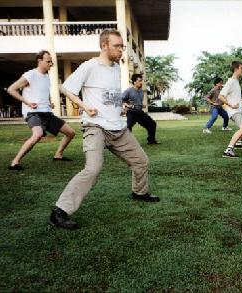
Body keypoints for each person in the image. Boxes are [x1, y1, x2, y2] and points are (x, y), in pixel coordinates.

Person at [48, 29, 159, 230]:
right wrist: (84, 107)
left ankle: (139, 192)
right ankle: (59, 212)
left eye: (122, 46)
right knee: (93, 169)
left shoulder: (116, 68)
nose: (121, 50)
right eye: (117, 46)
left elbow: (110, 94)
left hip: (117, 128)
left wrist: (120, 106)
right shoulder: (89, 66)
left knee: (141, 161)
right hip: (95, 126)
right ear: (104, 46)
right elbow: (66, 88)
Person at [6, 50, 76, 171]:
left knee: (71, 133)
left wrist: (49, 102)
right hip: (33, 113)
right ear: (40, 61)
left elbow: (40, 93)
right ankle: (14, 162)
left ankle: (58, 155)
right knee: (37, 135)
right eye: (48, 61)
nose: (51, 64)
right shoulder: (30, 74)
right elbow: (11, 89)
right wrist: (27, 102)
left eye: (51, 61)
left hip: (47, 113)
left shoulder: (47, 77)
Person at [218, 61, 242, 158]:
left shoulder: (236, 81)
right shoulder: (231, 82)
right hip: (234, 111)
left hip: (240, 110)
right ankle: (228, 150)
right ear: (236, 69)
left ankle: (238, 142)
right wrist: (231, 105)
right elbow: (221, 96)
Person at [122, 74, 159, 144]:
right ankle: (126, 143)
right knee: (128, 127)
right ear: (134, 82)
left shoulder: (141, 91)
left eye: (141, 81)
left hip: (139, 112)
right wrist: (125, 104)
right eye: (139, 81)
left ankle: (151, 140)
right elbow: (121, 99)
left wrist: (141, 105)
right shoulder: (128, 91)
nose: (141, 82)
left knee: (152, 124)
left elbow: (138, 102)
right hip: (131, 112)